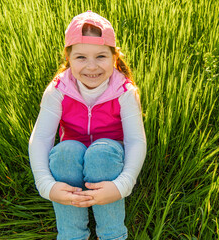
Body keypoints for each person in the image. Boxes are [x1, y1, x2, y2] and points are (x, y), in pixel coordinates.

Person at [28, 10, 146, 240]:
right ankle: (72, 234)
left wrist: (122, 186)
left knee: (100, 153)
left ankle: (112, 234)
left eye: (101, 56)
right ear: (68, 58)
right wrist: (47, 186)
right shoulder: (58, 91)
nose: (91, 67)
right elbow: (41, 139)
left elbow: (135, 140)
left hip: (107, 159)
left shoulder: (124, 92)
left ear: (114, 57)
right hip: (70, 160)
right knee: (65, 151)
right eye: (81, 57)